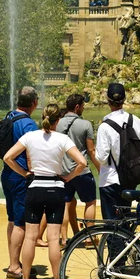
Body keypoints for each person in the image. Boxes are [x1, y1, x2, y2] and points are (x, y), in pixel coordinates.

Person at [3, 103, 86, 279]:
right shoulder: (62, 139)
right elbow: (81, 162)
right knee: (54, 238)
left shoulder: (30, 137)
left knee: (30, 237)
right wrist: (68, 177)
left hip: (34, 188)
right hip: (55, 188)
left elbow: (8, 157)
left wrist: (24, 173)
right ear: (58, 120)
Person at [95, 83, 140, 219]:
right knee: (125, 219)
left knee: (112, 225)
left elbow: (101, 157)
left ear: (108, 100)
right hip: (130, 178)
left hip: (110, 180)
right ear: (124, 100)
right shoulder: (135, 120)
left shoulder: (105, 126)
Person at [1, 86, 39, 279]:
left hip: (7, 174)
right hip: (20, 175)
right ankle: (15, 267)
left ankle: (13, 260)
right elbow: (33, 153)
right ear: (34, 103)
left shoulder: (9, 117)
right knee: (21, 222)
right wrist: (27, 173)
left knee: (12, 219)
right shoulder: (29, 125)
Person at [56, 94, 100, 246]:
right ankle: (89, 238)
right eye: (82, 106)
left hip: (63, 173)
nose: (83, 108)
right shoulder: (86, 124)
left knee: (65, 205)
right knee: (90, 203)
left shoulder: (58, 123)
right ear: (77, 107)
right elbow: (91, 150)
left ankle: (63, 239)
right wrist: (100, 168)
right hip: (81, 172)